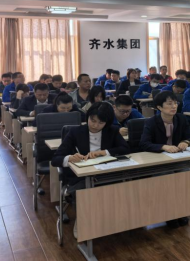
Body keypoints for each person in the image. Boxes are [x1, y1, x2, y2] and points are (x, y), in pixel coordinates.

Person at [52, 102, 131, 238]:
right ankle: (82, 221)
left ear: (107, 123)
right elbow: (55, 159)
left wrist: (105, 152)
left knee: (121, 187)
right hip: (81, 177)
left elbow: (125, 149)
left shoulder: (111, 131)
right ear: (87, 117)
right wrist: (70, 158)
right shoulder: (75, 132)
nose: (95, 125)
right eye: (92, 120)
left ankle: (114, 221)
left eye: (100, 123)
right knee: (84, 191)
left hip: (105, 174)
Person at [139, 91, 190, 228]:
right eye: (169, 104)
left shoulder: (181, 119)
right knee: (167, 180)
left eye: (175, 103)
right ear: (159, 107)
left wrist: (186, 142)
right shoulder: (151, 122)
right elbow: (144, 144)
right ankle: (169, 214)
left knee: (186, 176)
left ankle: (182, 211)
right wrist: (163, 146)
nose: (174, 106)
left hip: (177, 159)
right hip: (159, 161)